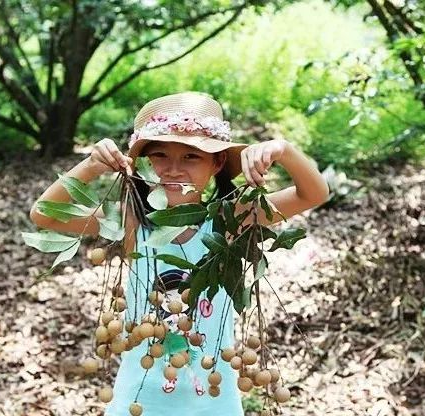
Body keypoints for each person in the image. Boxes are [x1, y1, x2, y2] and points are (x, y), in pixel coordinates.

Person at [29, 91, 329, 415]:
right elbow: (44, 215)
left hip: (214, 405)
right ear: (145, 161)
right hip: (139, 401)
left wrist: (282, 150)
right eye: (160, 155)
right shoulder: (134, 223)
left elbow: (313, 193)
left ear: (217, 163)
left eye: (191, 157)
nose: (173, 169)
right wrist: (90, 166)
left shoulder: (227, 222)